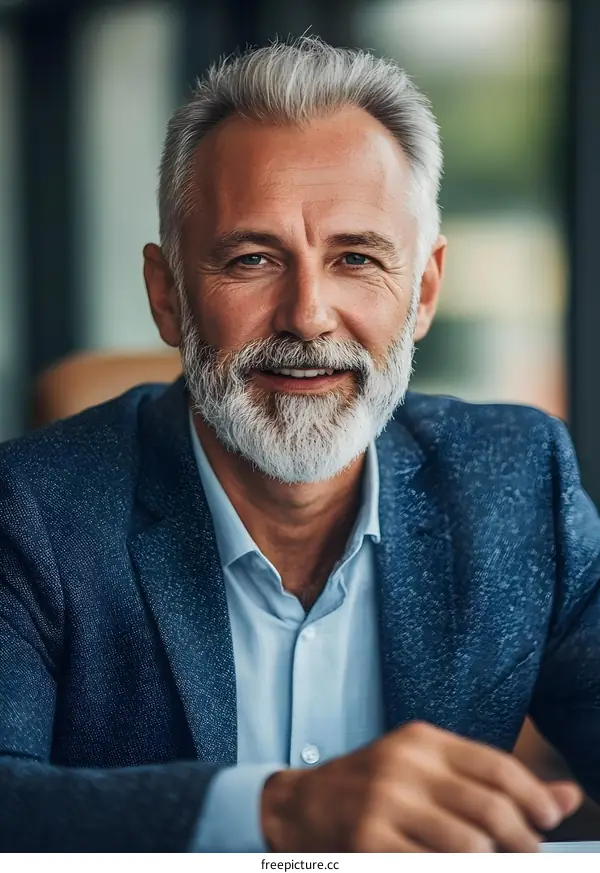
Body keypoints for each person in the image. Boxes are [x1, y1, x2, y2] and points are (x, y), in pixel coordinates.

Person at [0, 35, 597, 853]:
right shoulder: (30, 509)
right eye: (252, 258)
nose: (308, 315)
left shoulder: (515, 477)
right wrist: (277, 812)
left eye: (356, 257)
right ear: (168, 296)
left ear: (422, 292)